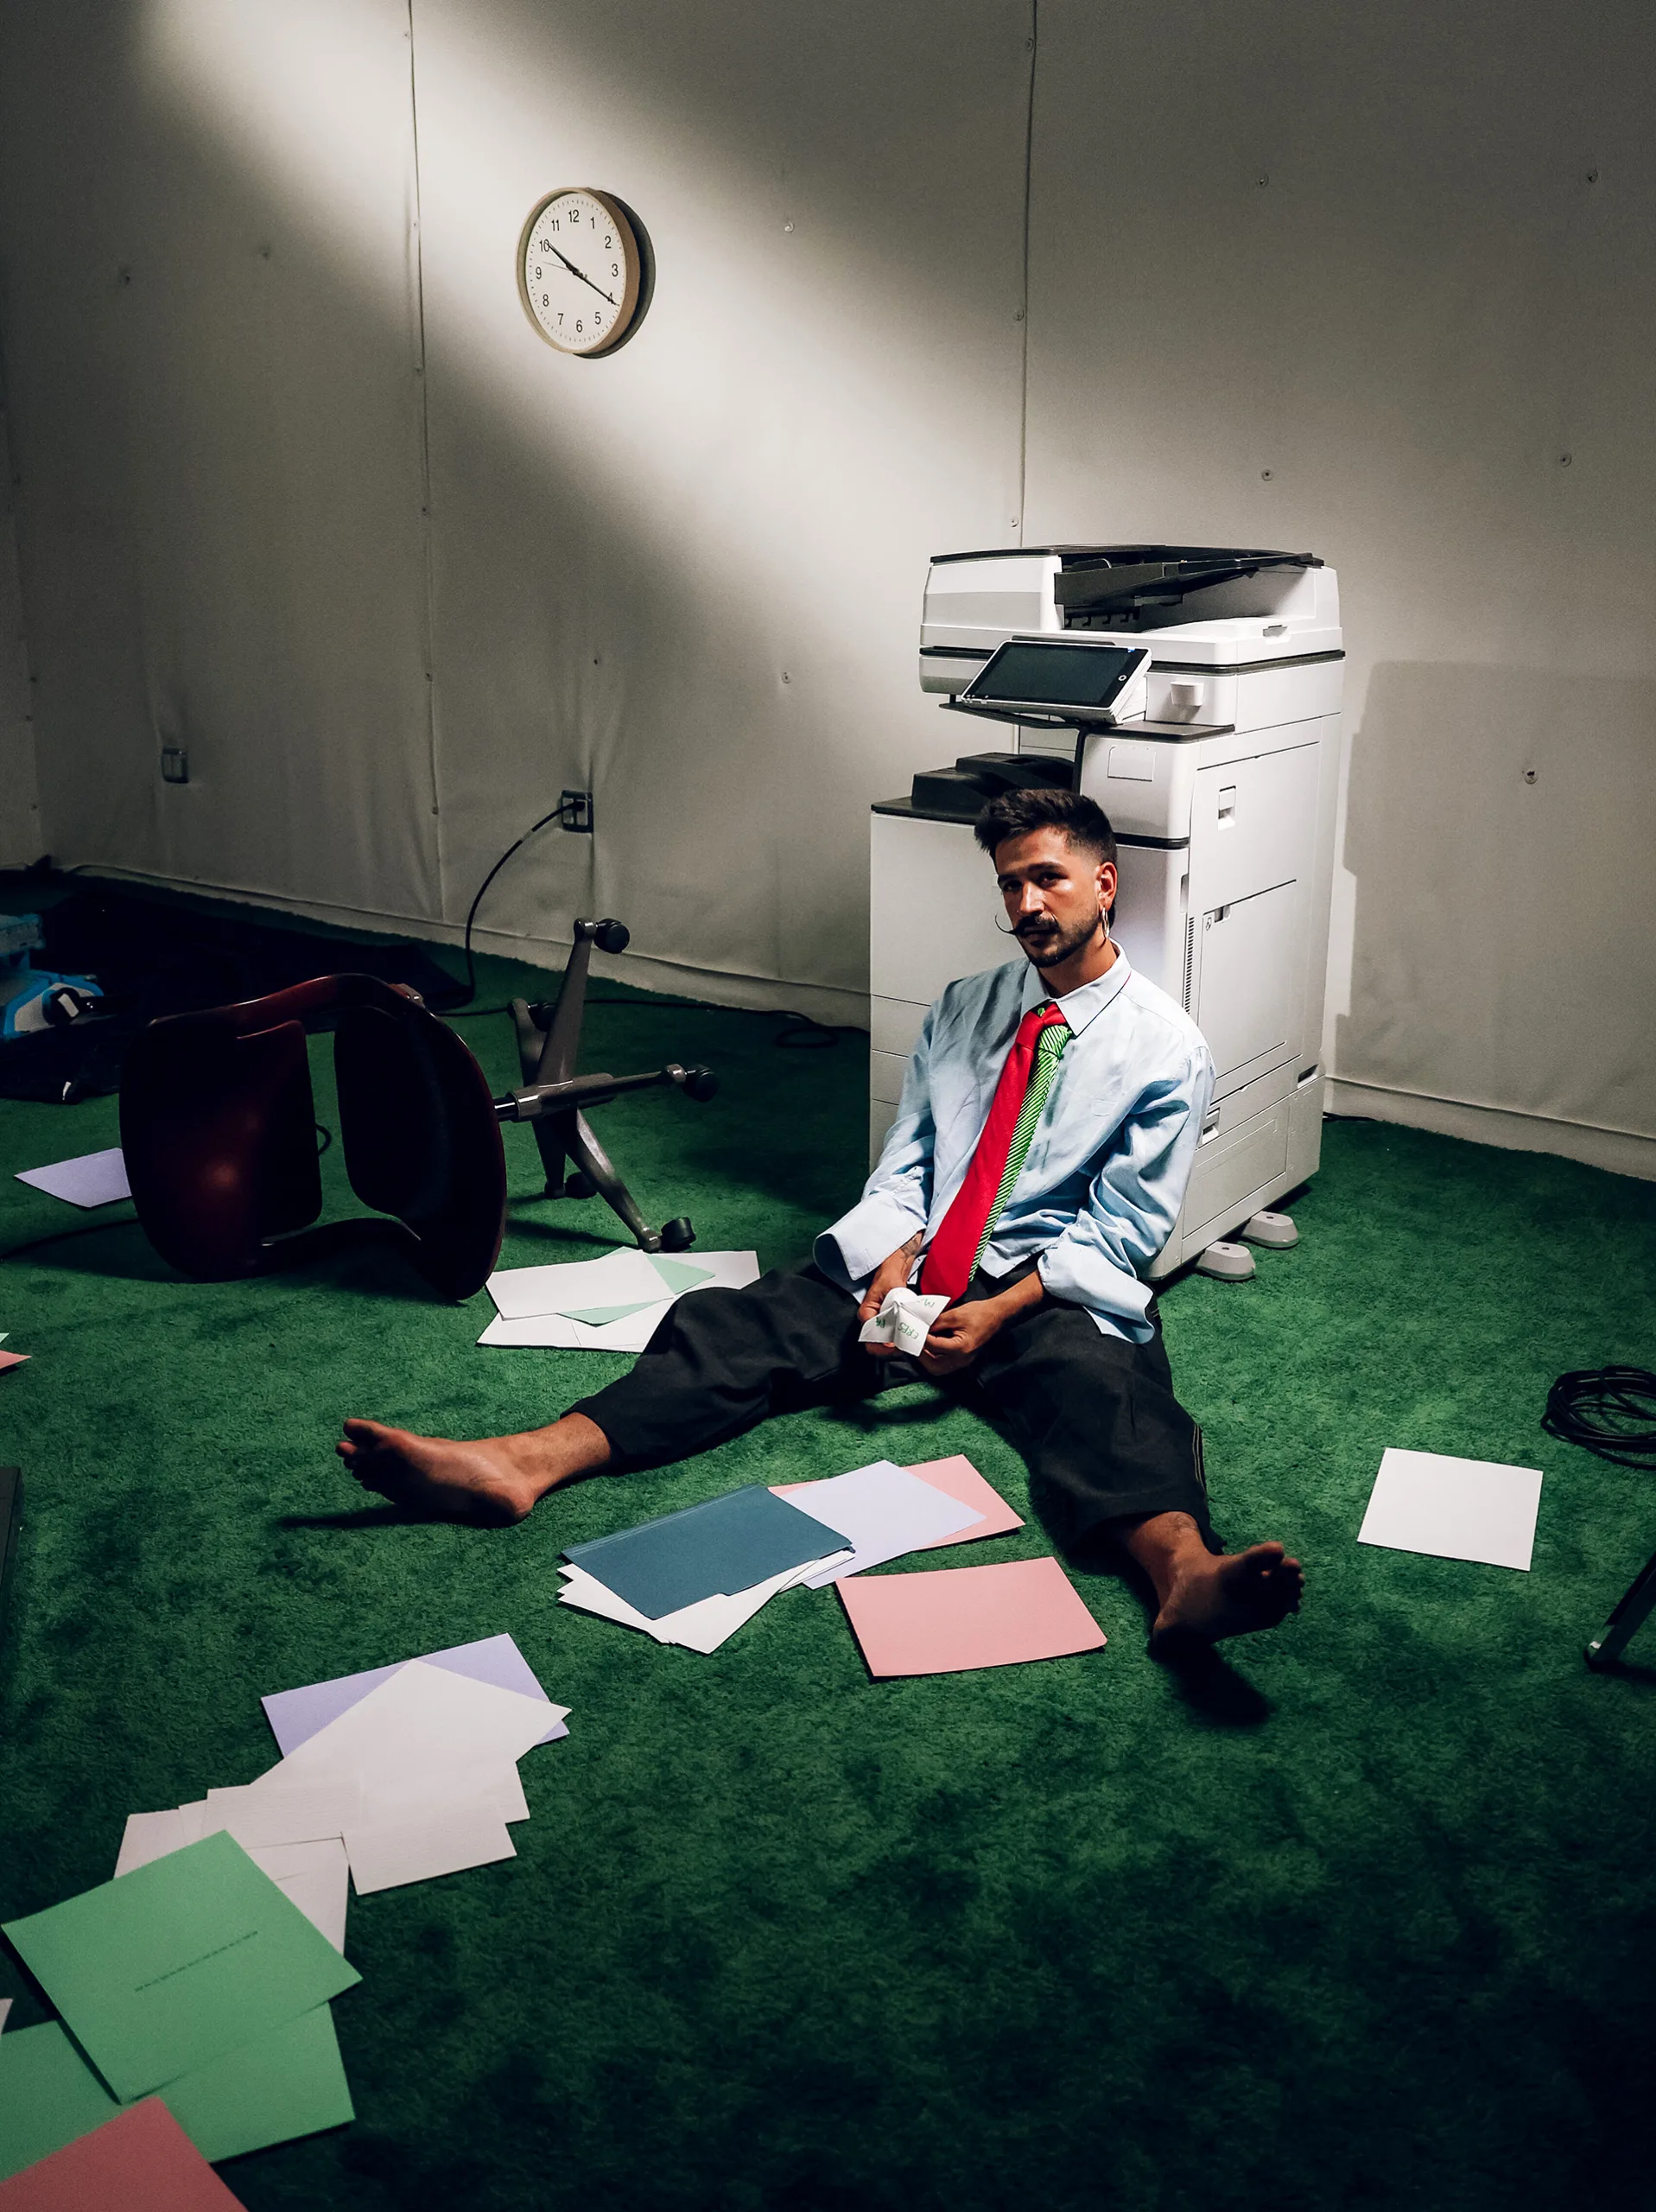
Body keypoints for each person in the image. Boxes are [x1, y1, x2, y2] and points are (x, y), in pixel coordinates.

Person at [338, 787, 1303, 1655]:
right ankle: (520, 1463)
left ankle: (1184, 1574)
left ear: (1103, 882)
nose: (1027, 905)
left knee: (1110, 1396)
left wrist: (999, 1310)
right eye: (1010, 886)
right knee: (730, 1327)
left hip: (1043, 1282)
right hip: (920, 1262)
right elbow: (911, 1158)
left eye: (1046, 879)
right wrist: (889, 1262)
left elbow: (1125, 1228)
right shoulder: (966, 1006)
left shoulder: (1166, 1048)